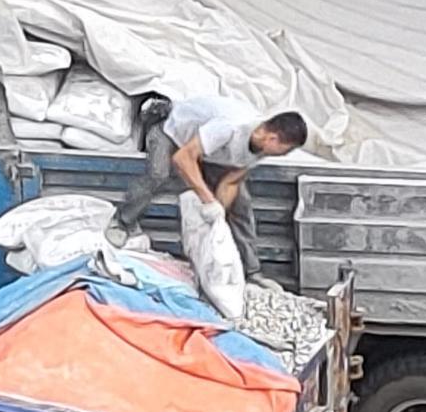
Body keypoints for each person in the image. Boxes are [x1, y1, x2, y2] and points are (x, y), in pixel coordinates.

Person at [107, 95, 308, 288]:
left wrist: (217, 218)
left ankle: (251, 271)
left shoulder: (262, 146)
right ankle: (122, 222)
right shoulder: (230, 127)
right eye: (286, 150)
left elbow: (230, 182)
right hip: (172, 134)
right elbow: (183, 158)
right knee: (158, 174)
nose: (285, 155)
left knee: (241, 204)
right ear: (272, 138)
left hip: (211, 152)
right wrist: (207, 198)